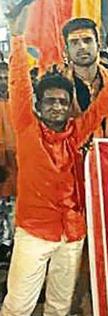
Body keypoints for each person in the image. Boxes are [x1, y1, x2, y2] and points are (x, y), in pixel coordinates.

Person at [0, 5, 108, 316]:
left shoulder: (77, 134)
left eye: (64, 101)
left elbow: (106, 102)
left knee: (60, 308)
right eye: (51, 102)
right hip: (34, 233)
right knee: (17, 306)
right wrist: (17, 40)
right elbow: (18, 83)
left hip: (72, 233)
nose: (59, 107)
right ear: (39, 106)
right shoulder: (28, 130)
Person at [62, 18, 108, 139]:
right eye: (74, 42)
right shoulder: (57, 86)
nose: (82, 47)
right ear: (66, 51)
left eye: (87, 40)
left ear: (98, 45)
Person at [0, 61, 15, 266]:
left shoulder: (22, 104)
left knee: (12, 214)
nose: (3, 80)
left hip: (17, 171)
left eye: (6, 76)